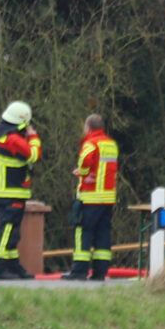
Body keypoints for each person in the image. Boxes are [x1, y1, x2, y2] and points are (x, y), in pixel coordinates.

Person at [0, 100, 41, 280]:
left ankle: (12, 264)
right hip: (13, 192)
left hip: (0, 192)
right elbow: (33, 155)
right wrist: (33, 137)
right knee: (7, 229)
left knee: (12, 231)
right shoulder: (14, 140)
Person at [65, 112, 119, 281]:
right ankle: (100, 273)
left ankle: (79, 271)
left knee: (83, 232)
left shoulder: (90, 143)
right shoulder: (111, 144)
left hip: (90, 197)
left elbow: (85, 162)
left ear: (87, 128)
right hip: (108, 198)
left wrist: (82, 172)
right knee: (103, 234)